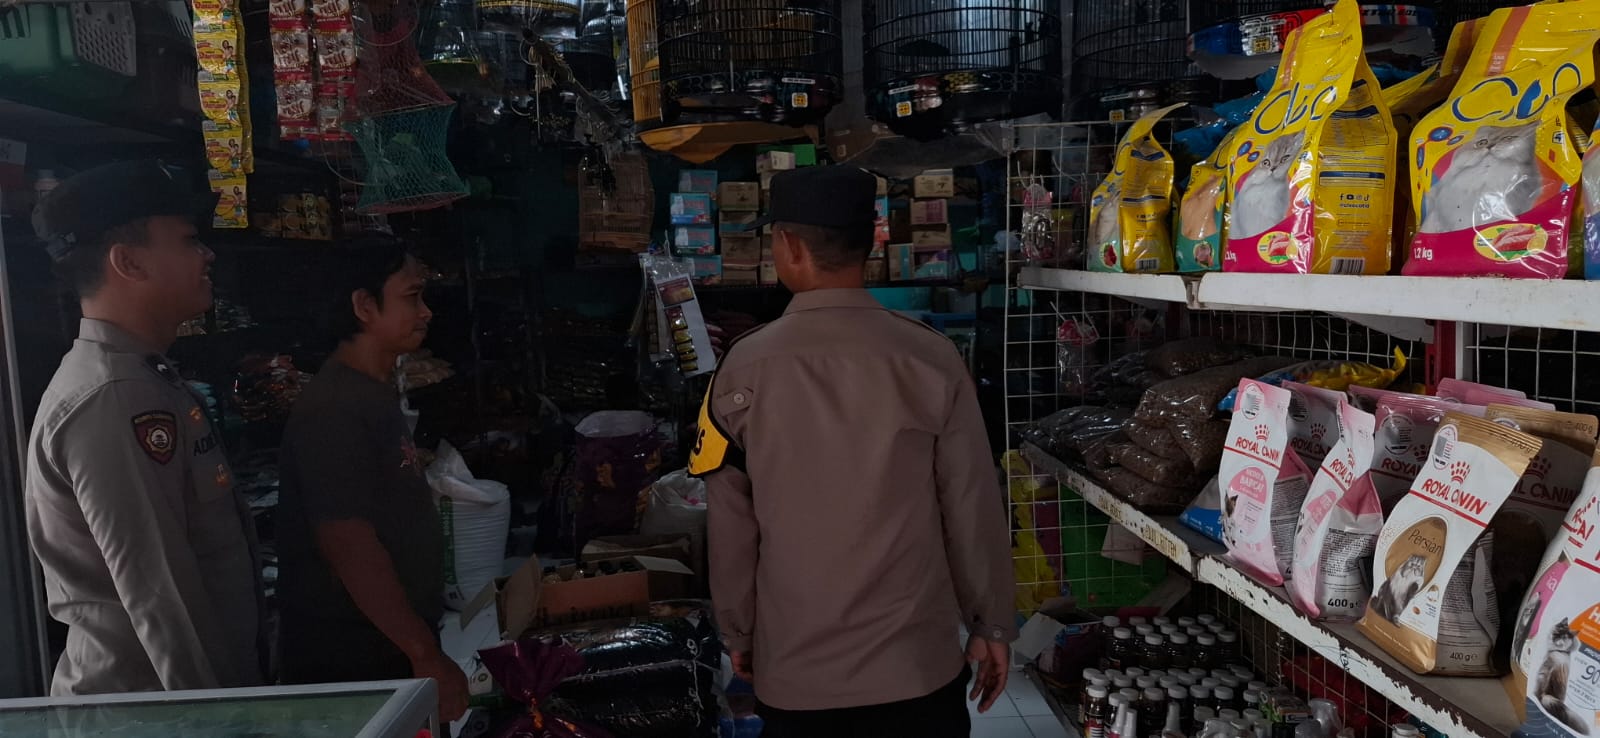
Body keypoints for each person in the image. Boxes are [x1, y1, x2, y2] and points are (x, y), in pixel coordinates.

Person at [689, 165, 1017, 738]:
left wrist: (738, 632)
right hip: (917, 668)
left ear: (789, 246)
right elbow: (971, 505)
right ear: (871, 244)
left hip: (797, 671)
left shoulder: (742, 367)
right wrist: (991, 624)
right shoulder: (932, 357)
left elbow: (731, 527)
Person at [25, 160, 264, 695]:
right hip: (158, 716)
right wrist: (228, 724)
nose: (208, 254)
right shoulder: (114, 395)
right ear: (128, 262)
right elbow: (164, 599)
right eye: (188, 240)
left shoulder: (141, 376)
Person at [275, 237, 468, 721]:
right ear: (364, 306)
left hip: (388, 644)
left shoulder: (371, 389)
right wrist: (424, 653)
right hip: (354, 656)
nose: (425, 311)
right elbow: (349, 544)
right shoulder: (334, 407)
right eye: (412, 297)